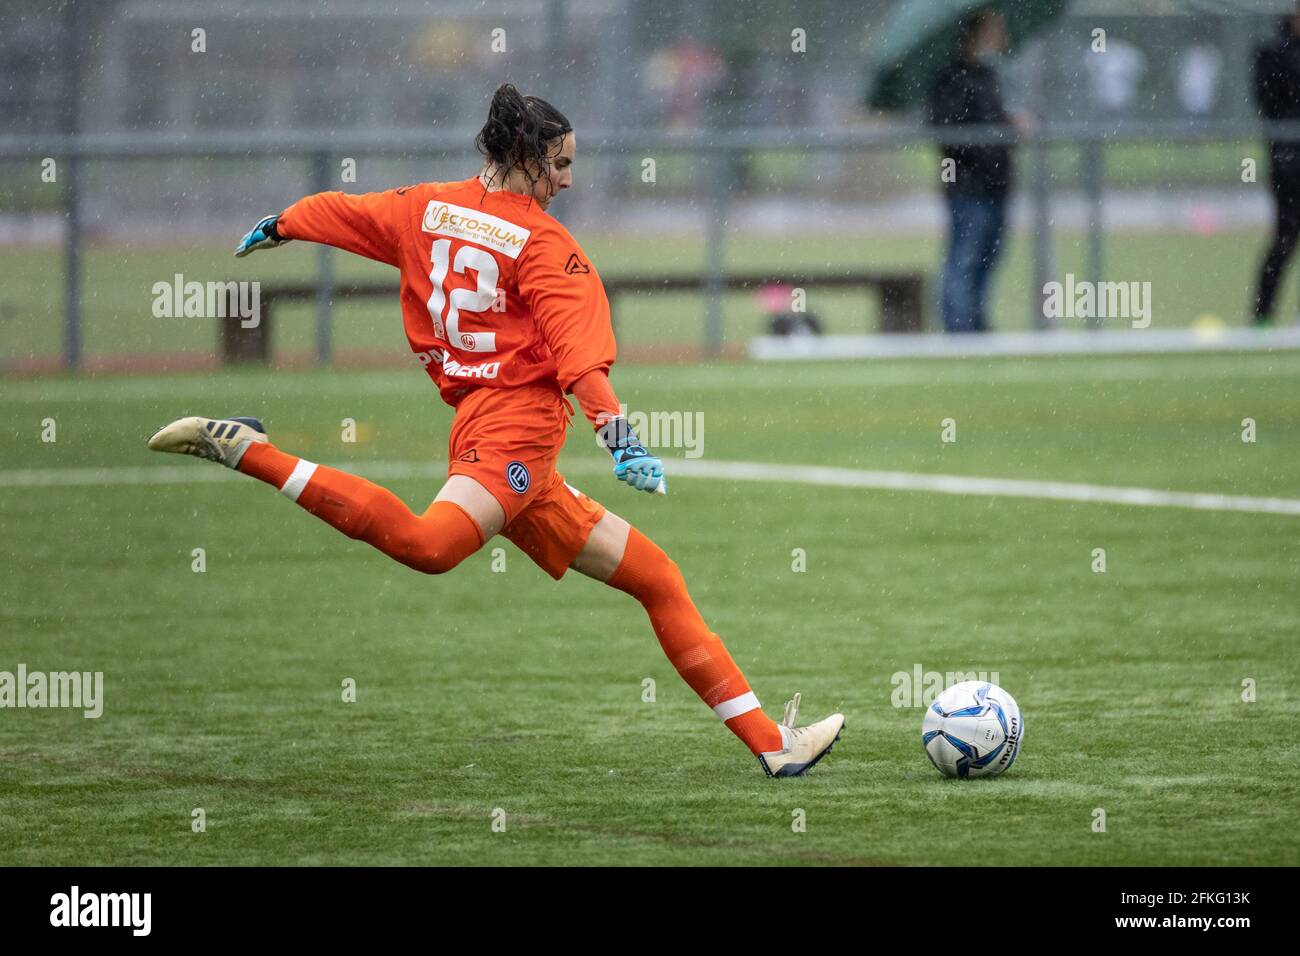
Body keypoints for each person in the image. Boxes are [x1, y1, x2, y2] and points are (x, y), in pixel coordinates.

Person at [146, 83, 843, 777]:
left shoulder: (423, 206)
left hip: (504, 440)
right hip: (512, 432)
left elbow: (346, 213)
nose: (569, 180)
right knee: (430, 545)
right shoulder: (547, 246)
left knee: (658, 578)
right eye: (561, 165)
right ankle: (253, 452)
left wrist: (282, 223)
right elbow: (580, 359)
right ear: (525, 158)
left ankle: (771, 746)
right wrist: (619, 437)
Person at [926, 8, 1015, 333]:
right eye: (993, 29)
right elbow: (947, 133)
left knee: (987, 261)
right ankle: (960, 332)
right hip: (967, 187)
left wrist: (1009, 126)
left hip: (996, 185)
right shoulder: (951, 78)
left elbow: (993, 122)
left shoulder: (988, 76)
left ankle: (976, 327)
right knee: (964, 260)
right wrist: (990, 139)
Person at [1253, 14, 1300, 327]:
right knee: (1285, 237)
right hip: (1288, 160)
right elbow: (1268, 100)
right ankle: (1262, 317)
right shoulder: (1272, 53)